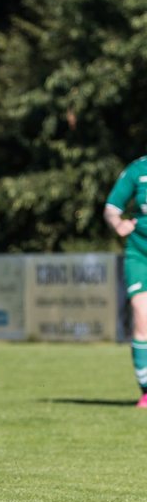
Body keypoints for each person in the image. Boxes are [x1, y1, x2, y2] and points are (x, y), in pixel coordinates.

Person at [105, 158, 147, 407]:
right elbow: (111, 207)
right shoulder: (138, 169)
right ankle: (146, 389)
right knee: (142, 313)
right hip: (141, 253)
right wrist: (118, 223)